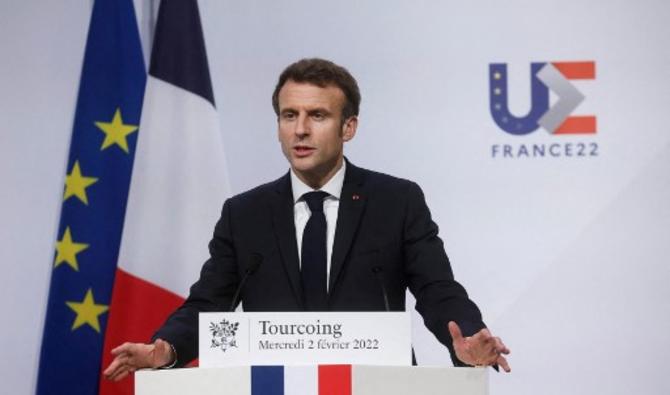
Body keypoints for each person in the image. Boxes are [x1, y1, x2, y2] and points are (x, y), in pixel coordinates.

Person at [104, 58, 510, 381]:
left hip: (376, 385)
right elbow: (209, 304)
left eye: (317, 116)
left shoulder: (396, 201)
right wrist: (166, 349)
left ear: (348, 127)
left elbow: (437, 289)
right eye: (288, 115)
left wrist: (468, 339)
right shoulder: (244, 214)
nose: (300, 130)